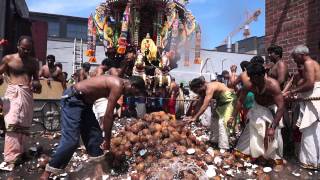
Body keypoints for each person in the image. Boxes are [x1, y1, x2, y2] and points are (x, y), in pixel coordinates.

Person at [40, 76, 145, 179]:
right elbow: (108, 115)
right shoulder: (118, 85)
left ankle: (98, 170)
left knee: (95, 136)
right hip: (73, 99)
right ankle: (47, 173)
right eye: (135, 92)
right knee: (71, 141)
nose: (132, 95)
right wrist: (107, 140)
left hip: (85, 104)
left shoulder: (118, 84)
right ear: (133, 85)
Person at [0, 36, 42, 171]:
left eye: (28, 50)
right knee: (12, 123)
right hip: (12, 94)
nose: (25, 52)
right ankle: (11, 156)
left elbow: (36, 81)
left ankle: (20, 152)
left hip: (27, 95)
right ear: (18, 45)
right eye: (23, 49)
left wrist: (37, 84)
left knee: (23, 124)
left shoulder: (34, 63)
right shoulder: (8, 59)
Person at [233, 63, 284, 166]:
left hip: (271, 109)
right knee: (253, 131)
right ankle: (256, 155)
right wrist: (232, 116)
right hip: (257, 108)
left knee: (268, 135)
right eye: (250, 77)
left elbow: (281, 107)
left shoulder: (272, 85)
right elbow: (240, 100)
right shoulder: (249, 84)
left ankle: (268, 157)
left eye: (254, 77)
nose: (251, 80)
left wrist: (273, 127)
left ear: (261, 75)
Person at [283, 45, 320, 169]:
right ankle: (312, 161)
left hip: (314, 102)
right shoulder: (310, 63)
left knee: (312, 131)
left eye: (295, 58)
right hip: (311, 100)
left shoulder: (309, 63)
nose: (294, 60)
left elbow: (310, 84)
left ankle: (312, 161)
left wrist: (292, 92)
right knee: (312, 132)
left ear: (302, 55)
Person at [188, 77, 237, 150]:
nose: (197, 92)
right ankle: (214, 141)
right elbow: (199, 104)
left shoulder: (210, 87)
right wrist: (193, 116)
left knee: (222, 123)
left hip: (229, 100)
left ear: (201, 85)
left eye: (196, 90)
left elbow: (204, 106)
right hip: (220, 101)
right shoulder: (202, 91)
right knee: (214, 119)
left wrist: (195, 117)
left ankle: (224, 147)